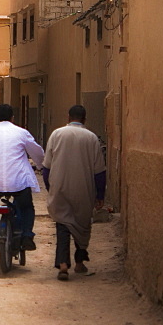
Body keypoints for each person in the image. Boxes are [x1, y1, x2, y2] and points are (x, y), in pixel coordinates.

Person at [41, 104, 106, 281]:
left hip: (60, 187)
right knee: (82, 225)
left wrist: (50, 187)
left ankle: (62, 265)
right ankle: (79, 263)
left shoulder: (56, 134)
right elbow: (99, 171)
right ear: (84, 119)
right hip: (83, 189)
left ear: (68, 118)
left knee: (62, 224)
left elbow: (46, 167)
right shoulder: (91, 138)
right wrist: (100, 195)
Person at [0, 104, 44, 250]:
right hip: (18, 180)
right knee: (26, 206)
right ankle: (27, 236)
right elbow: (37, 153)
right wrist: (41, 166)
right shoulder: (21, 133)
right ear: (12, 117)